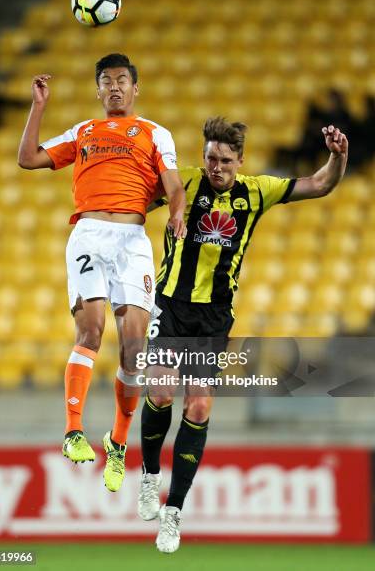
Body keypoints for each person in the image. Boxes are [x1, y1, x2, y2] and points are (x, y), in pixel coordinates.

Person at [138, 116, 348, 553]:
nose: (217, 167)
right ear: (204, 157)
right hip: (171, 304)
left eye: (225, 160)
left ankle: (173, 512)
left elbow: (320, 185)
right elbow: (132, 199)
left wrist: (338, 156)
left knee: (197, 403)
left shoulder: (256, 191)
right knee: (159, 391)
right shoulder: (183, 184)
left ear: (240, 161)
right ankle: (148, 476)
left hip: (214, 319)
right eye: (211, 158)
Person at [17, 53, 186, 492]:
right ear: (98, 90)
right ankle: (73, 431)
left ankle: (117, 443)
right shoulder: (83, 132)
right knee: (90, 331)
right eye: (107, 81)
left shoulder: (154, 133)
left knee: (133, 350)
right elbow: (29, 158)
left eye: (122, 80)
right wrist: (38, 106)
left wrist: (176, 214)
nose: (114, 87)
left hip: (133, 241)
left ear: (135, 88)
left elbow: (173, 184)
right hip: (89, 234)